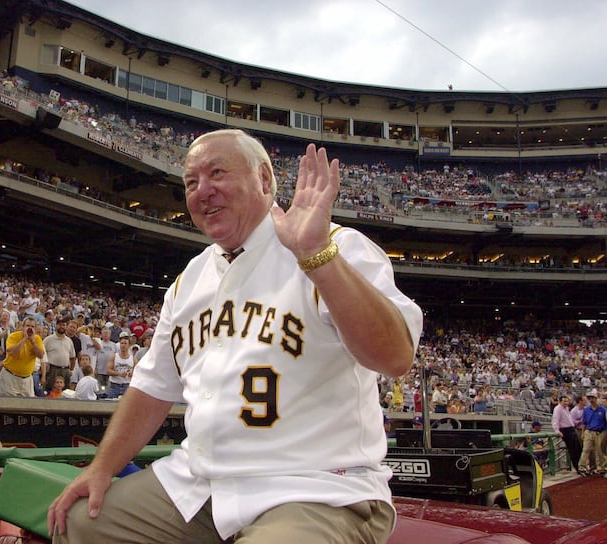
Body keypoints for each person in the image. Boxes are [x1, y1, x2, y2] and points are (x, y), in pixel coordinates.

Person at [49, 129, 423, 543]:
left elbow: (395, 356)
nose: (202, 191)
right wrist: (101, 469)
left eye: (217, 173)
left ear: (264, 179)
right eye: (191, 182)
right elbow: (153, 388)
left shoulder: (336, 245)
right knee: (83, 523)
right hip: (201, 484)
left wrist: (316, 256)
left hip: (314, 486)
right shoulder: (188, 280)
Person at [0, 316, 44, 397]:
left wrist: (32, 342)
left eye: (32, 327)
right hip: (10, 377)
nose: (30, 328)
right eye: (28, 326)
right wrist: (25, 339)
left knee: (27, 406)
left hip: (27, 379)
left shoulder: (37, 339)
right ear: (23, 327)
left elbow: (40, 355)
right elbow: (13, 352)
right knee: (7, 404)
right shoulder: (13, 336)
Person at [42, 316, 76, 393]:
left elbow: (72, 357)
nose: (62, 327)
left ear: (66, 326)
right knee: (50, 391)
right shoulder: (48, 339)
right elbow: (42, 355)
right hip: (52, 370)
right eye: (60, 325)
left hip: (65, 370)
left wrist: (71, 370)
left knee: (66, 392)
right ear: (56, 326)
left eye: (63, 325)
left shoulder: (69, 341)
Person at [552, 394, 583, 474]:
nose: (566, 403)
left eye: (567, 401)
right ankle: (577, 467)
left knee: (578, 448)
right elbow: (555, 420)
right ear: (560, 401)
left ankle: (580, 466)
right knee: (573, 450)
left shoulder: (567, 408)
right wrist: (557, 430)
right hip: (566, 430)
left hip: (571, 429)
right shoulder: (558, 409)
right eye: (564, 401)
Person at [579, 389, 606, 476]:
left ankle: (603, 468)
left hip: (600, 432)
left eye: (592, 398)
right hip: (589, 431)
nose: (591, 400)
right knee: (586, 450)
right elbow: (584, 422)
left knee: (600, 451)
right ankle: (582, 467)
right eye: (589, 398)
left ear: (596, 398)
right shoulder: (586, 410)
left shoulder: (603, 410)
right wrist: (583, 432)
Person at [106, 332, 134, 399]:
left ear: (129, 345)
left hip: (127, 385)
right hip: (114, 385)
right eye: (121, 343)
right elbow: (108, 371)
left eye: (125, 343)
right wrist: (119, 373)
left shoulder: (133, 359)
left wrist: (132, 373)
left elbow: (138, 373)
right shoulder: (114, 357)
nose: (123, 345)